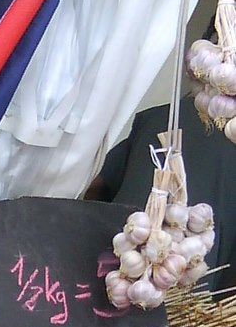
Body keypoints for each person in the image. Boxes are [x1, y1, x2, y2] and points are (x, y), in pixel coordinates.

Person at [85, 95, 236, 292]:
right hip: (188, 296)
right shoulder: (167, 115)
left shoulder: (165, 114)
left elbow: (96, 183)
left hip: (108, 266)